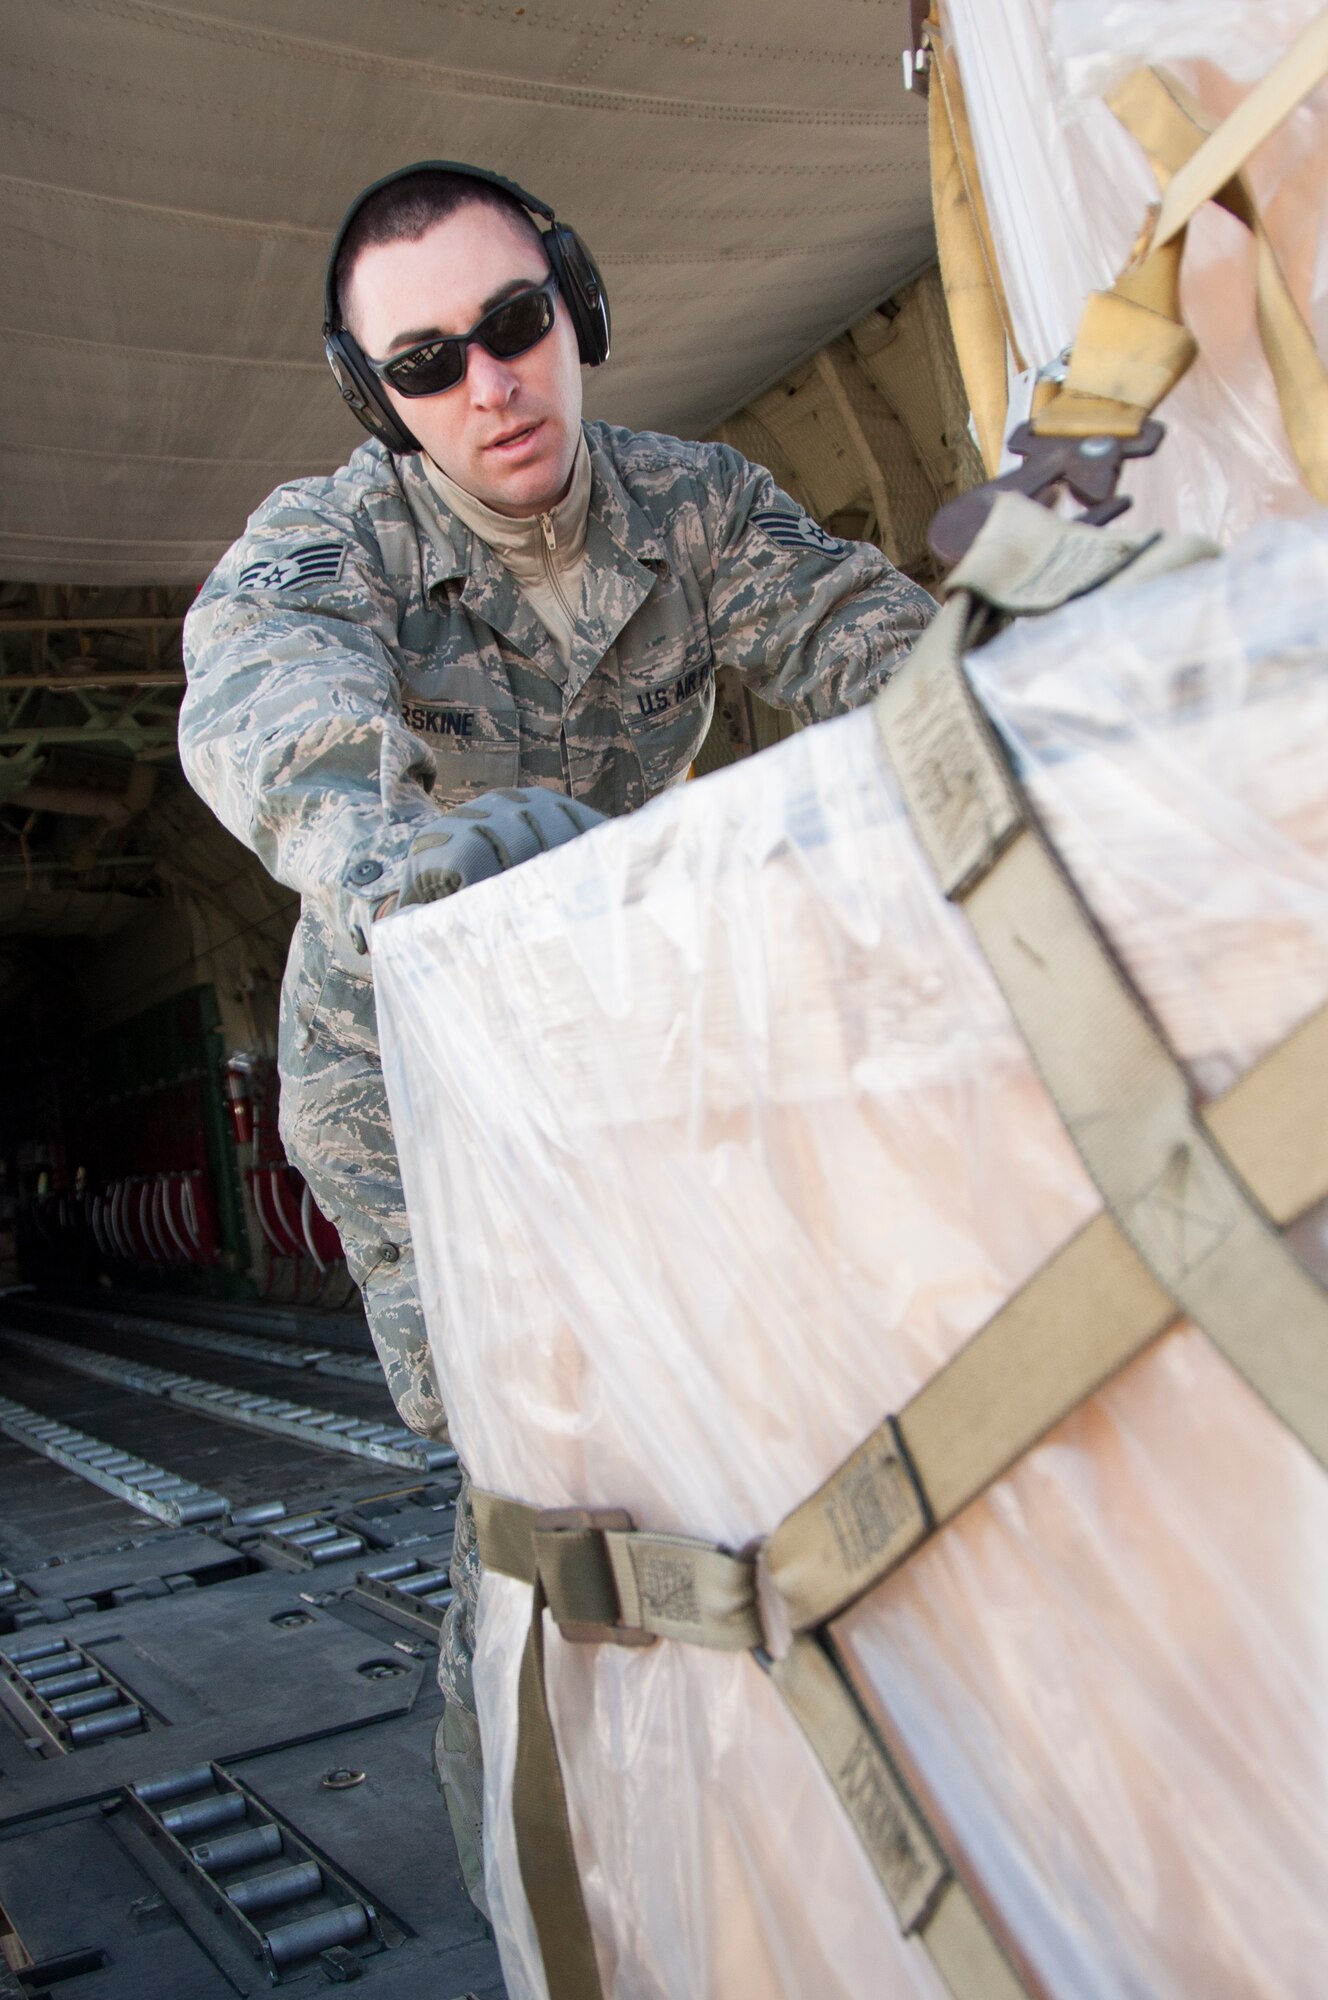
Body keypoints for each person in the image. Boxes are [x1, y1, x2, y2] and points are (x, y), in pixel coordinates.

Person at [178, 159, 935, 1913]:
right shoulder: (337, 539)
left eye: (515, 325)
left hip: (632, 1053)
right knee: (529, 1503)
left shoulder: (693, 509)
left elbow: (864, 643)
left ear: (574, 309)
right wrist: (393, 859)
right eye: (427, 362)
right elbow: (260, 677)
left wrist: (1061, 679)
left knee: (743, 1427)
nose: (488, 383)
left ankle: (775, 1853)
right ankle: (546, 1892)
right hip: (415, 1097)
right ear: (380, 400)